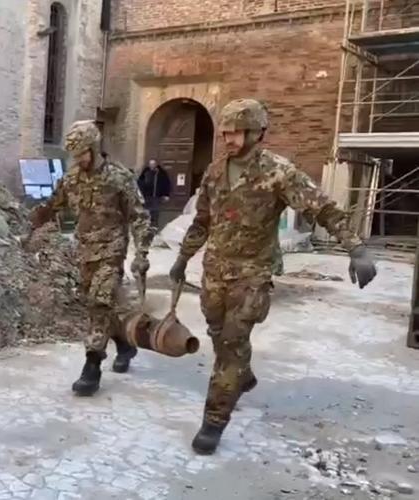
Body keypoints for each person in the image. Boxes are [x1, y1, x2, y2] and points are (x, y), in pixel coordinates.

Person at [169, 98, 378, 455]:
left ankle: (214, 419)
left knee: (231, 346)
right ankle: (243, 377)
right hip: (215, 271)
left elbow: (321, 207)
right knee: (218, 334)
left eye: (236, 133)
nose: (228, 139)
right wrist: (182, 257)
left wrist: (356, 248)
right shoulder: (215, 172)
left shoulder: (279, 172)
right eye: (225, 133)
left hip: (252, 273)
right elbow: (202, 220)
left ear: (256, 132)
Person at [30, 120, 154, 396]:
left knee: (100, 302)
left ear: (95, 148)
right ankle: (124, 344)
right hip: (85, 251)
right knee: (97, 304)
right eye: (75, 155)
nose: (79, 160)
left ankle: (92, 365)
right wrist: (35, 220)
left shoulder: (118, 177)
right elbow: (54, 204)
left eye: (83, 153)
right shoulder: (72, 179)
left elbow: (140, 217)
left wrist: (141, 253)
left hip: (111, 249)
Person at [137, 159, 173, 228]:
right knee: (146, 211)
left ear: (156, 165)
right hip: (147, 196)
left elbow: (166, 184)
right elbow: (140, 183)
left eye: (153, 164)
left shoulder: (161, 173)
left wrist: (166, 194)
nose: (152, 166)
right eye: (150, 164)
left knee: (155, 211)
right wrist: (140, 194)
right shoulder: (145, 172)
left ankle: (154, 226)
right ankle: (146, 226)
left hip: (156, 196)